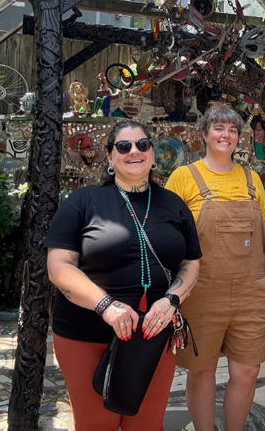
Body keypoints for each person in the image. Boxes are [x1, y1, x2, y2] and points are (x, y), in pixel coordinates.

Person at [46, 120, 202, 431]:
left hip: (152, 334)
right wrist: (106, 305)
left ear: (153, 153)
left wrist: (172, 299)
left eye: (143, 145)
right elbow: (59, 266)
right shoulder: (83, 201)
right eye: (123, 146)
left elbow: (191, 263)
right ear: (109, 157)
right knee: (95, 424)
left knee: (146, 422)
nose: (134, 151)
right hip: (86, 334)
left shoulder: (173, 204)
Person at [166, 105, 265, 431]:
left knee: (247, 371)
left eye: (231, 130)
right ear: (204, 134)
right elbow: (168, 233)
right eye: (218, 128)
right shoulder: (183, 177)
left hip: (251, 291)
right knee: (203, 370)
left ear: (238, 138)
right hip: (201, 291)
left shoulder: (251, 178)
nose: (225, 135)